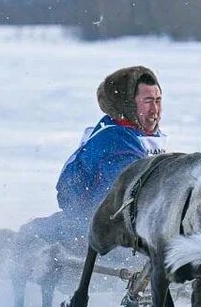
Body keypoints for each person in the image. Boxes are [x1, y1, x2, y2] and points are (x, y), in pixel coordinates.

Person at [21, 66, 167, 245]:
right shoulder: (115, 141)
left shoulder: (140, 134)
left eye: (158, 101)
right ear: (128, 104)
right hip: (90, 225)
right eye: (148, 101)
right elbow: (134, 193)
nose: (155, 110)